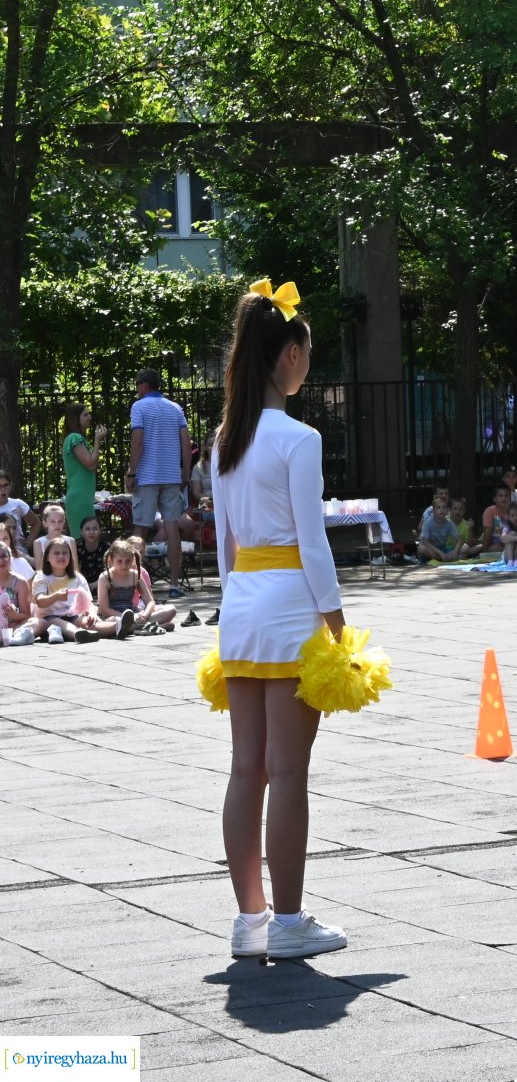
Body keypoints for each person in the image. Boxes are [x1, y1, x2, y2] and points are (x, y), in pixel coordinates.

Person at [203, 280, 352, 961]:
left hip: (242, 609)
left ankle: (249, 921)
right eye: (308, 354)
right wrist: (337, 621)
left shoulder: (225, 441)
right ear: (290, 355)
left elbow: (227, 545)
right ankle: (289, 923)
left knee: (246, 770)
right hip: (291, 602)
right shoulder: (298, 438)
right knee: (288, 771)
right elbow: (313, 539)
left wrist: (237, 607)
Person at [127, 369, 192, 598]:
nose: (136, 388)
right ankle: (174, 584)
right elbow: (186, 444)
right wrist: (185, 473)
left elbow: (138, 441)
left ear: (144, 385)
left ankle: (131, 584)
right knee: (172, 526)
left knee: (140, 529)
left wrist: (132, 472)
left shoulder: (139, 407)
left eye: (137, 384)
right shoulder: (175, 408)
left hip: (146, 476)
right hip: (172, 476)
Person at [96, 538, 176, 636]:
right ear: (111, 560)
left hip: (134, 613)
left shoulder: (135, 575)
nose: (124, 565)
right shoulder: (104, 577)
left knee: (171, 609)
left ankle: (136, 627)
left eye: (128, 561)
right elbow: (104, 609)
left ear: (133, 559)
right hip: (115, 616)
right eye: (119, 561)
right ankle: (148, 626)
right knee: (112, 621)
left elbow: (150, 601)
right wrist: (128, 618)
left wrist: (144, 615)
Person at [60, 402, 106, 539]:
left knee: (87, 542)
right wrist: (98, 440)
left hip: (83, 497)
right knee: (83, 541)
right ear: (75, 419)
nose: (90, 417)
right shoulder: (75, 438)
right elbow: (91, 463)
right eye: (85, 414)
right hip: (79, 498)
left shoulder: (75, 438)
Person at [415, 488, 466, 563]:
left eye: (444, 507)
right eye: (438, 507)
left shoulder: (449, 523)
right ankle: (441, 558)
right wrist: (441, 554)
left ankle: (446, 557)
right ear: (433, 511)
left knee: (464, 550)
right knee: (421, 549)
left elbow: (460, 539)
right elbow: (425, 542)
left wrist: (455, 551)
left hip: (442, 547)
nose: (441, 510)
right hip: (430, 549)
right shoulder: (428, 523)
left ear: (447, 510)